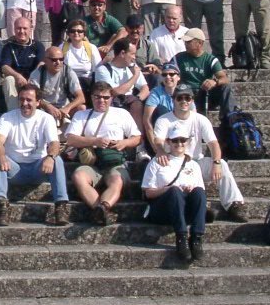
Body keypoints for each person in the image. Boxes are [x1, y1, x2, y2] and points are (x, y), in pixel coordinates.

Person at [152, 83, 248, 222]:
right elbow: (158, 140)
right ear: (173, 100)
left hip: (195, 162)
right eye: (180, 98)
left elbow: (213, 143)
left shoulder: (200, 119)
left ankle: (234, 204)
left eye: (187, 98)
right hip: (172, 163)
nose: (184, 101)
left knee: (222, 164)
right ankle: (197, 207)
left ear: (192, 100)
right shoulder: (164, 120)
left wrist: (216, 162)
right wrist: (160, 151)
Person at [0, 84, 69, 227]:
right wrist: (1, 157)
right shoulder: (7, 117)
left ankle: (60, 206)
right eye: (21, 99)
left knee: (57, 160)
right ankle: (2, 204)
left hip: (39, 168)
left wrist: (50, 157)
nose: (24, 103)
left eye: (29, 100)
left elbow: (54, 143)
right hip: (14, 168)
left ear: (38, 102)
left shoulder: (46, 118)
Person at [65, 81, 143, 225]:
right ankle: (99, 210)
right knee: (78, 176)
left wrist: (124, 143)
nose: (101, 100)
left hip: (115, 162)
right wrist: (95, 141)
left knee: (117, 180)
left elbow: (137, 137)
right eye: (97, 97)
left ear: (111, 98)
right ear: (91, 97)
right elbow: (70, 139)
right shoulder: (81, 115)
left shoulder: (122, 114)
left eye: (106, 97)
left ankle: (103, 207)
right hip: (93, 162)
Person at [141, 121, 208, 264]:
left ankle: (196, 237)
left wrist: (189, 190)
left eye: (183, 140)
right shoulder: (156, 162)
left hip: (184, 208)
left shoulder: (193, 165)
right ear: (168, 142)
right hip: (163, 209)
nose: (179, 143)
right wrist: (167, 189)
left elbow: (199, 190)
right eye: (175, 140)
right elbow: (148, 193)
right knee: (174, 191)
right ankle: (181, 237)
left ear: (188, 142)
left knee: (199, 192)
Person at [95, 38, 151, 159]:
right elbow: (114, 92)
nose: (134, 57)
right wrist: (135, 76)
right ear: (122, 53)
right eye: (132, 54)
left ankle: (139, 149)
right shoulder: (103, 70)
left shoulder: (132, 67)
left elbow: (145, 88)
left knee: (137, 105)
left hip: (130, 99)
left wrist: (137, 98)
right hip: (111, 100)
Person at [174, 28, 237, 119]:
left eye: (189, 42)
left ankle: (230, 119)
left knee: (225, 87)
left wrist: (215, 82)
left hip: (203, 93)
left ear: (200, 43)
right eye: (185, 42)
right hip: (185, 94)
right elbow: (167, 71)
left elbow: (224, 79)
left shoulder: (210, 59)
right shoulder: (178, 57)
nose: (185, 44)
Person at [0, 16, 45, 112]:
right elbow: (5, 67)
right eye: (18, 28)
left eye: (24, 28)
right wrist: (18, 76)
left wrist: (33, 77)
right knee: (8, 80)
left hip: (34, 80)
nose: (21, 31)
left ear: (30, 29)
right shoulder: (8, 46)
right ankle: (14, 112)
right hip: (17, 82)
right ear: (14, 29)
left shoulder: (38, 45)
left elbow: (42, 63)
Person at [30, 47, 85, 126]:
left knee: (81, 108)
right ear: (45, 60)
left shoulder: (68, 72)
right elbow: (32, 97)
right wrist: (47, 106)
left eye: (61, 59)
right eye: (54, 60)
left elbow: (81, 98)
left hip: (64, 108)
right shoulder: (37, 74)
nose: (58, 62)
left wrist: (67, 108)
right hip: (44, 109)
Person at [61, 19, 101, 100]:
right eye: (73, 31)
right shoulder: (62, 47)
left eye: (79, 31)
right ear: (69, 33)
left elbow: (98, 69)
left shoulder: (91, 48)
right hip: (68, 83)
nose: (76, 33)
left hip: (87, 85)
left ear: (84, 34)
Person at [125, 14, 162, 91]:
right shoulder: (120, 44)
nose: (135, 31)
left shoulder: (148, 45)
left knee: (156, 77)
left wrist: (153, 67)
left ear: (143, 28)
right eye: (132, 28)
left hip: (145, 78)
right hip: (125, 77)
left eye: (138, 28)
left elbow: (157, 65)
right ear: (126, 28)